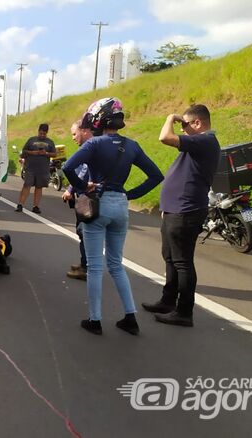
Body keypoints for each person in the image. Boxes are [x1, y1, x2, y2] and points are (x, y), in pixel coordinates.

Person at [63, 97, 164, 336]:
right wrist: (129, 194)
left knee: (96, 267)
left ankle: (95, 320)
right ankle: (130, 317)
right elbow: (156, 176)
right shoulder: (132, 146)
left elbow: (68, 167)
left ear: (98, 119)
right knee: (117, 264)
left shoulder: (95, 144)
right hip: (121, 205)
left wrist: (82, 187)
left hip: (98, 204)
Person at [142, 105, 221, 327]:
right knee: (170, 256)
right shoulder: (197, 144)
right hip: (175, 209)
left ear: (197, 123)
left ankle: (184, 311)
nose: (182, 129)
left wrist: (170, 117)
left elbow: (165, 137)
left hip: (186, 210)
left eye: (185, 124)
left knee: (182, 261)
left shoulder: (205, 140)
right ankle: (168, 301)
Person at [62, 118, 93, 281]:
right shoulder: (87, 147)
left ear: (84, 131)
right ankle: (84, 264)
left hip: (87, 196)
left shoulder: (91, 147)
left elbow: (84, 170)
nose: (73, 137)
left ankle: (87, 268)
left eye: (75, 134)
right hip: (83, 195)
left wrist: (70, 189)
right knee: (82, 231)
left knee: (84, 231)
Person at [17, 123, 56, 214]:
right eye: (41, 133)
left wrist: (45, 153)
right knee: (27, 185)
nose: (42, 135)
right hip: (30, 168)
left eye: (44, 134)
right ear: (38, 131)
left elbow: (54, 154)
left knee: (39, 187)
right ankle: (20, 204)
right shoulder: (31, 140)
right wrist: (33, 152)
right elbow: (24, 151)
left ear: (47, 133)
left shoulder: (50, 142)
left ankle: (36, 206)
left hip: (43, 169)